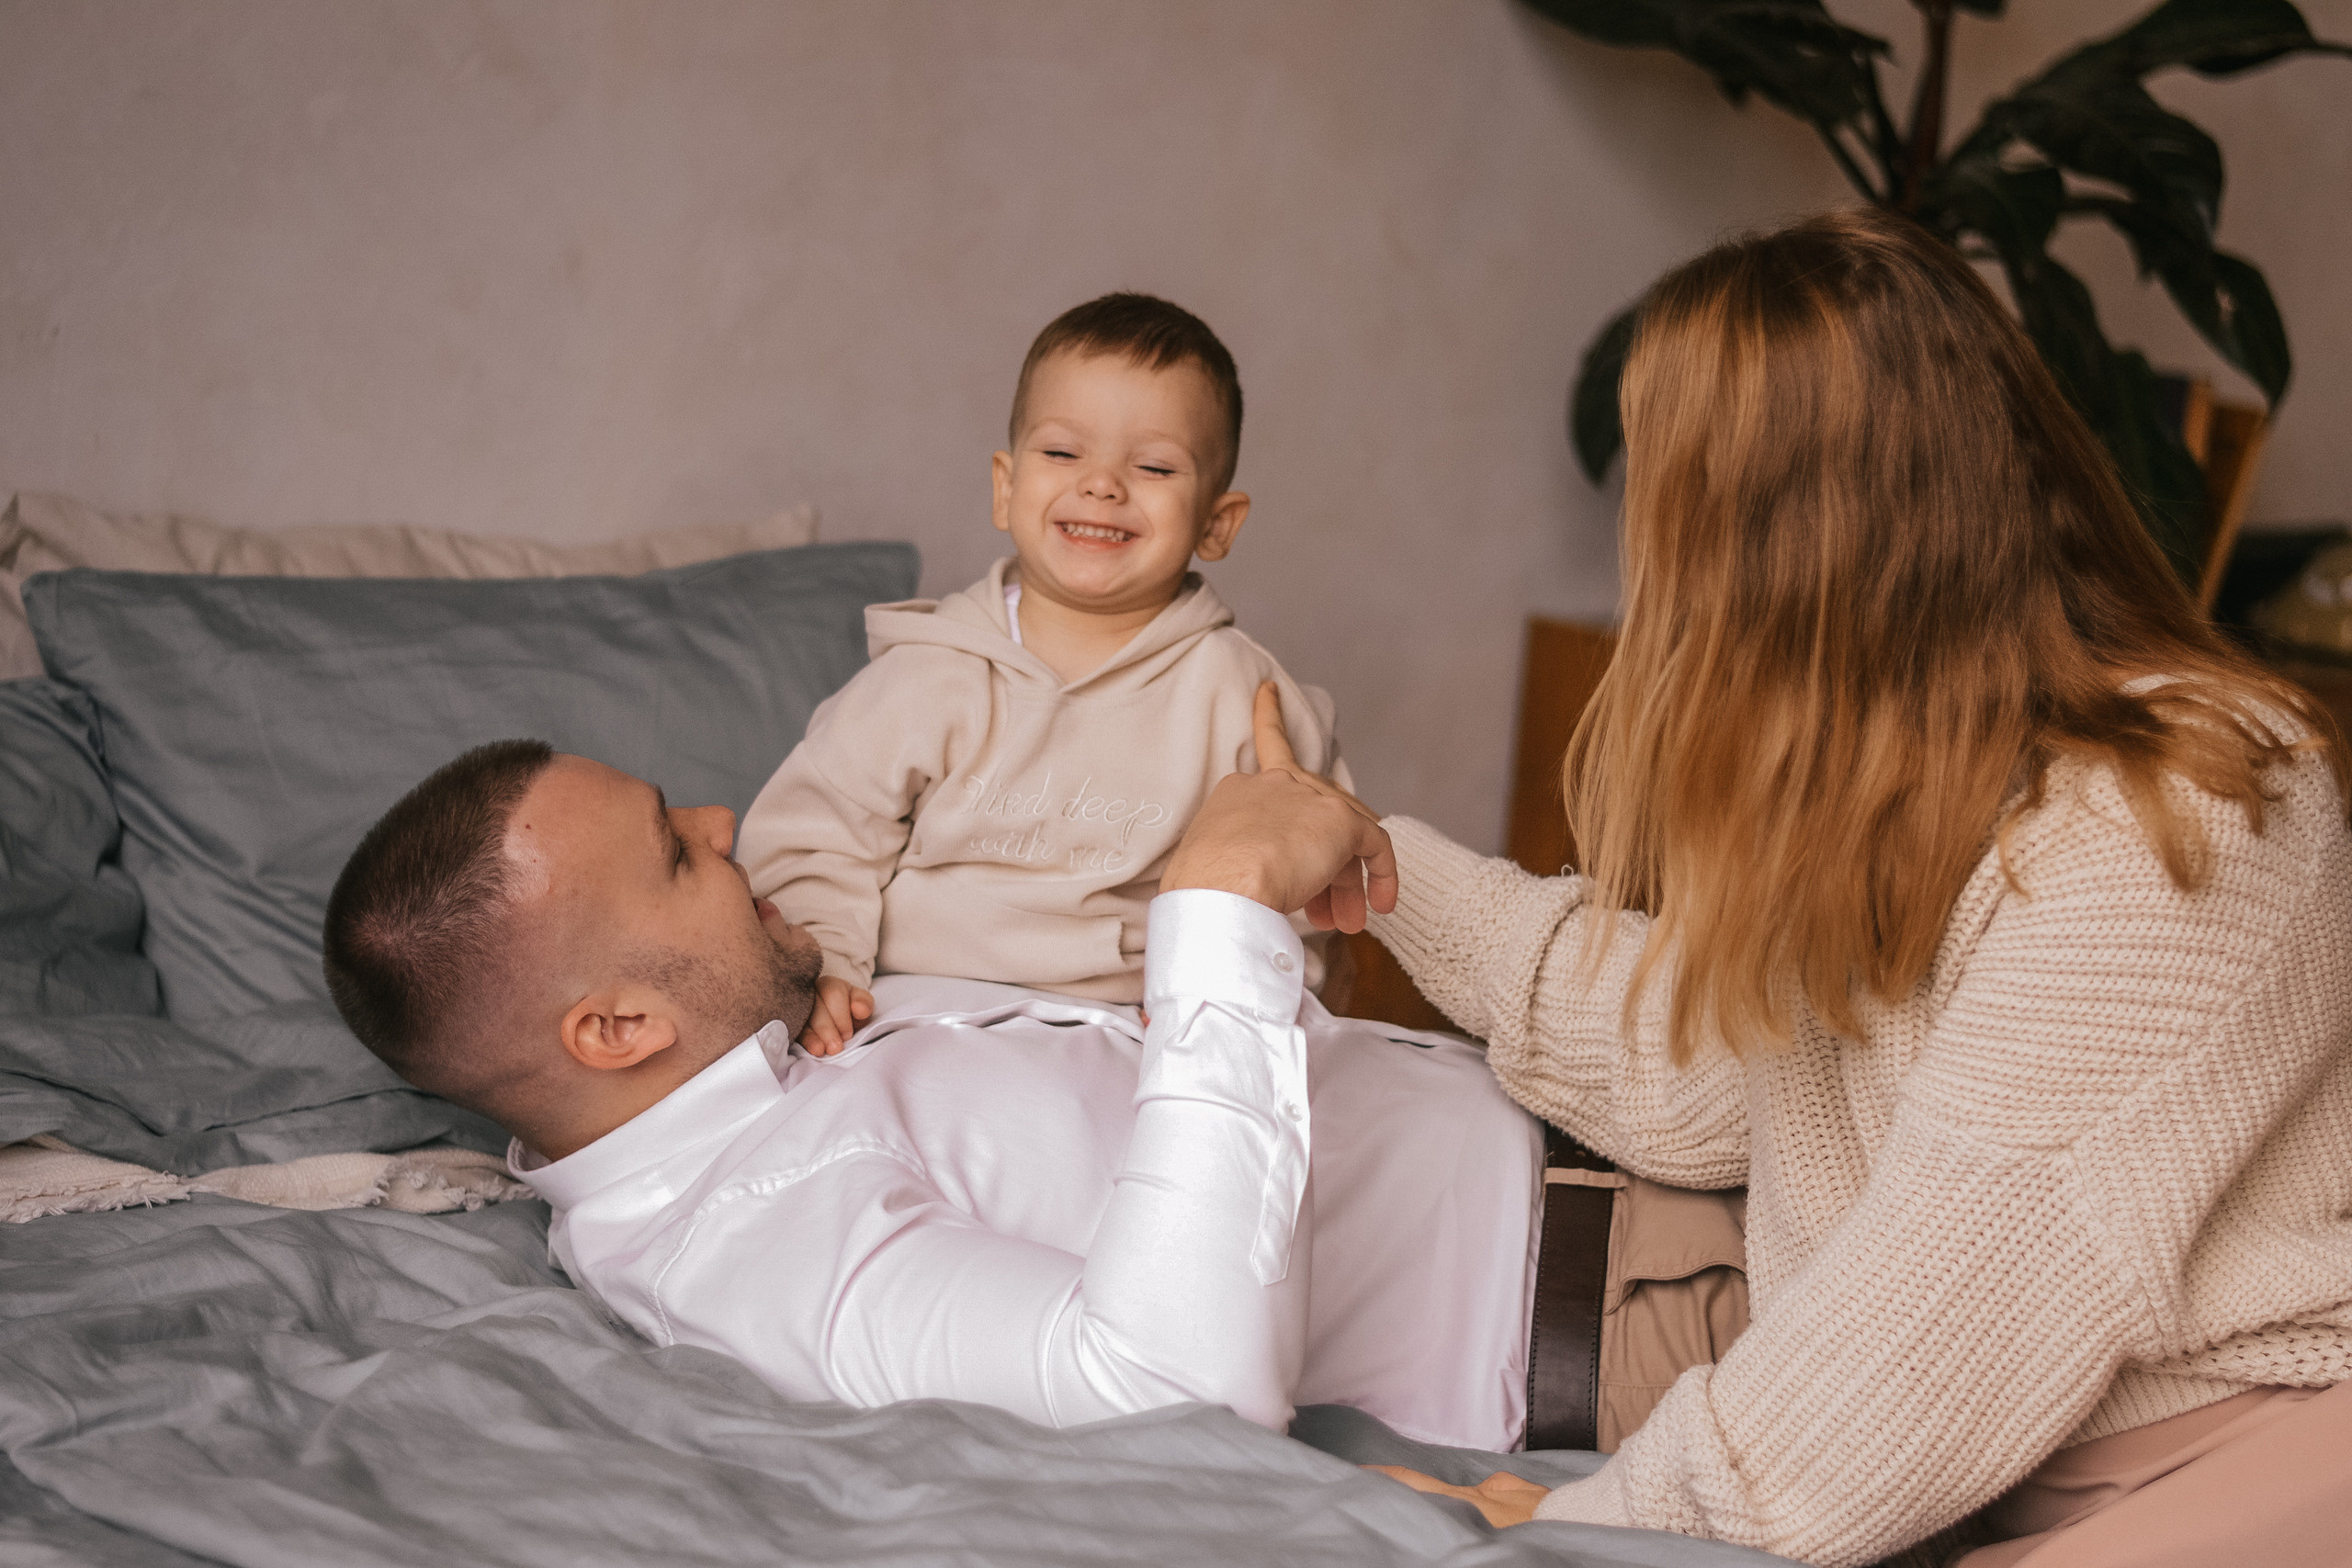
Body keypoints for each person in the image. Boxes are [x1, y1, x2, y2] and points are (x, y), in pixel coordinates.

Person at [1362, 209, 2352, 1566]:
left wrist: (1592, 1519)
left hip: (2258, 1447)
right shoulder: (1910, 790)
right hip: (1996, 1468)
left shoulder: (2184, 808)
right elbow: (1709, 1073)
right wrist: (1379, 867)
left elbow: (1946, 1327)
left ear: (1780, 541)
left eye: (1671, 499)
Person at [318, 729, 1549, 1451]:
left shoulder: (765, 1033)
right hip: (1620, 1288)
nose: (720, 816)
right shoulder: (753, 1247)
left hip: (1581, 1108)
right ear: (621, 1024)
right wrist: (1217, 903)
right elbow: (1171, 1392)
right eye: (676, 849)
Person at [734, 292, 1348, 1054]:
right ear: (1006, 484)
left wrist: (1228, 987)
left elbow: (1305, 877)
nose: (1102, 484)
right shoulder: (931, 673)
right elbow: (814, 838)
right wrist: (824, 968)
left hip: (1139, 1033)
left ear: (1216, 522)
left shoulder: (1242, 696)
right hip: (913, 1015)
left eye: (1154, 465)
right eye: (1063, 453)